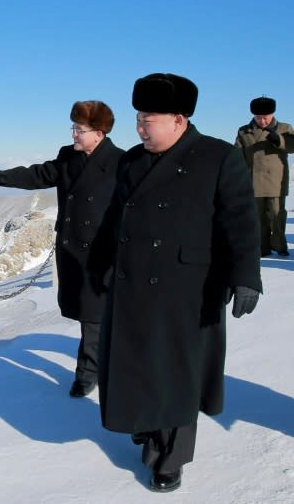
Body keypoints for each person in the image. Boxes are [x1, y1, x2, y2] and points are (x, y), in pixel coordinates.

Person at [89, 73, 262, 493]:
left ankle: (172, 458)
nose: (140, 126)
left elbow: (239, 220)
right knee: (137, 365)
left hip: (189, 288)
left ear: (179, 119)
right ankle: (146, 427)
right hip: (132, 284)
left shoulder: (218, 157)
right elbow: (115, 218)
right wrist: (97, 264)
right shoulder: (130, 160)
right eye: (138, 118)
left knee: (177, 376)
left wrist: (245, 277)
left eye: (149, 118)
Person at [0, 100, 123, 398]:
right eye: (73, 128)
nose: (74, 134)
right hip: (72, 248)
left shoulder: (121, 162)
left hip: (102, 252)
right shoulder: (68, 157)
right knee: (89, 313)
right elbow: (41, 174)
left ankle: (88, 374)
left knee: (94, 316)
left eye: (80, 129)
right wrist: (4, 177)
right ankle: (96, 367)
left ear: (99, 132)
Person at [234, 96, 294, 256]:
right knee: (258, 218)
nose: (262, 121)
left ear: (272, 113)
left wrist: (279, 140)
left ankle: (280, 246)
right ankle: (263, 247)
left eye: (265, 118)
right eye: (258, 118)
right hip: (253, 181)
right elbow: (237, 154)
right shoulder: (244, 131)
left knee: (277, 215)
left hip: (276, 180)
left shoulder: (284, 128)